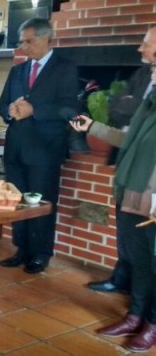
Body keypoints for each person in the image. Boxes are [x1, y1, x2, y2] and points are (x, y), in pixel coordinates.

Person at [69, 74, 156, 352]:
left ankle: (152, 325)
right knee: (140, 261)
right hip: (134, 192)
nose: (151, 74)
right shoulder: (150, 103)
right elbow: (128, 139)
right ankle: (135, 316)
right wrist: (92, 126)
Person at [0, 18, 79, 274]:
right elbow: (2, 105)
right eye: (22, 41)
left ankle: (41, 253)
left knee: (41, 203)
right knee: (19, 202)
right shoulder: (18, 70)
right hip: (16, 148)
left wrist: (35, 110)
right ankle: (22, 249)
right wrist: (10, 111)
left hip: (45, 149)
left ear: (46, 38)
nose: (23, 46)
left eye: (29, 41)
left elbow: (69, 108)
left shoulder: (64, 68)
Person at [87, 27, 156, 294]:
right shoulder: (142, 73)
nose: (140, 48)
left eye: (146, 44)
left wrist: (133, 106)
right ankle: (122, 278)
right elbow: (116, 106)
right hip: (128, 156)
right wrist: (133, 106)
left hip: (149, 171)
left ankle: (142, 301)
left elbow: (131, 108)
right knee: (125, 226)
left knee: (144, 238)